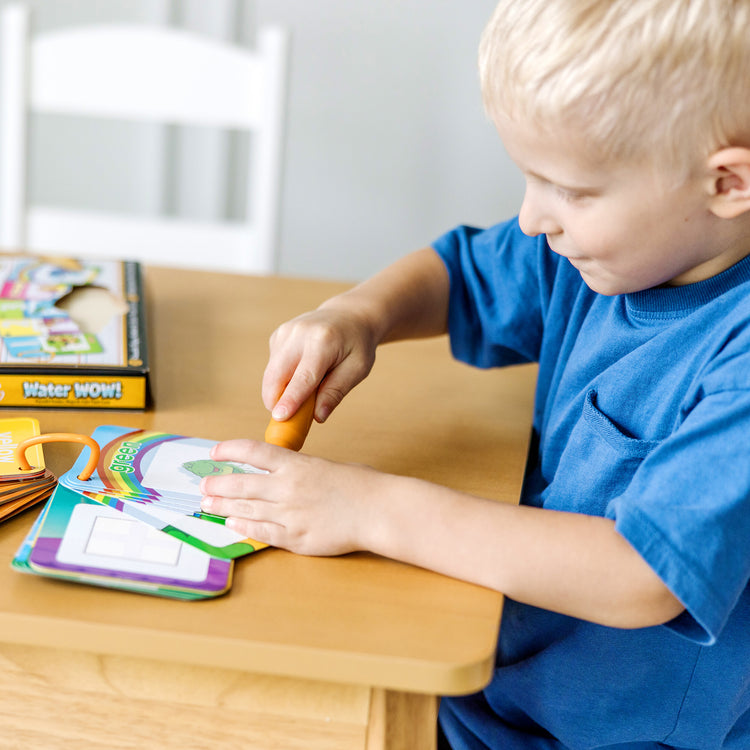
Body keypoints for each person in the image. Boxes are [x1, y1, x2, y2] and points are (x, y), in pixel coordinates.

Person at [199, 1, 750, 747]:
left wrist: (368, 508)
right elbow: (458, 273)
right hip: (490, 672)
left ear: (727, 184)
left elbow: (641, 575)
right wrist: (359, 314)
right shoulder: (600, 255)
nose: (532, 218)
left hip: (609, 731)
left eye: (572, 191)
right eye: (528, 178)